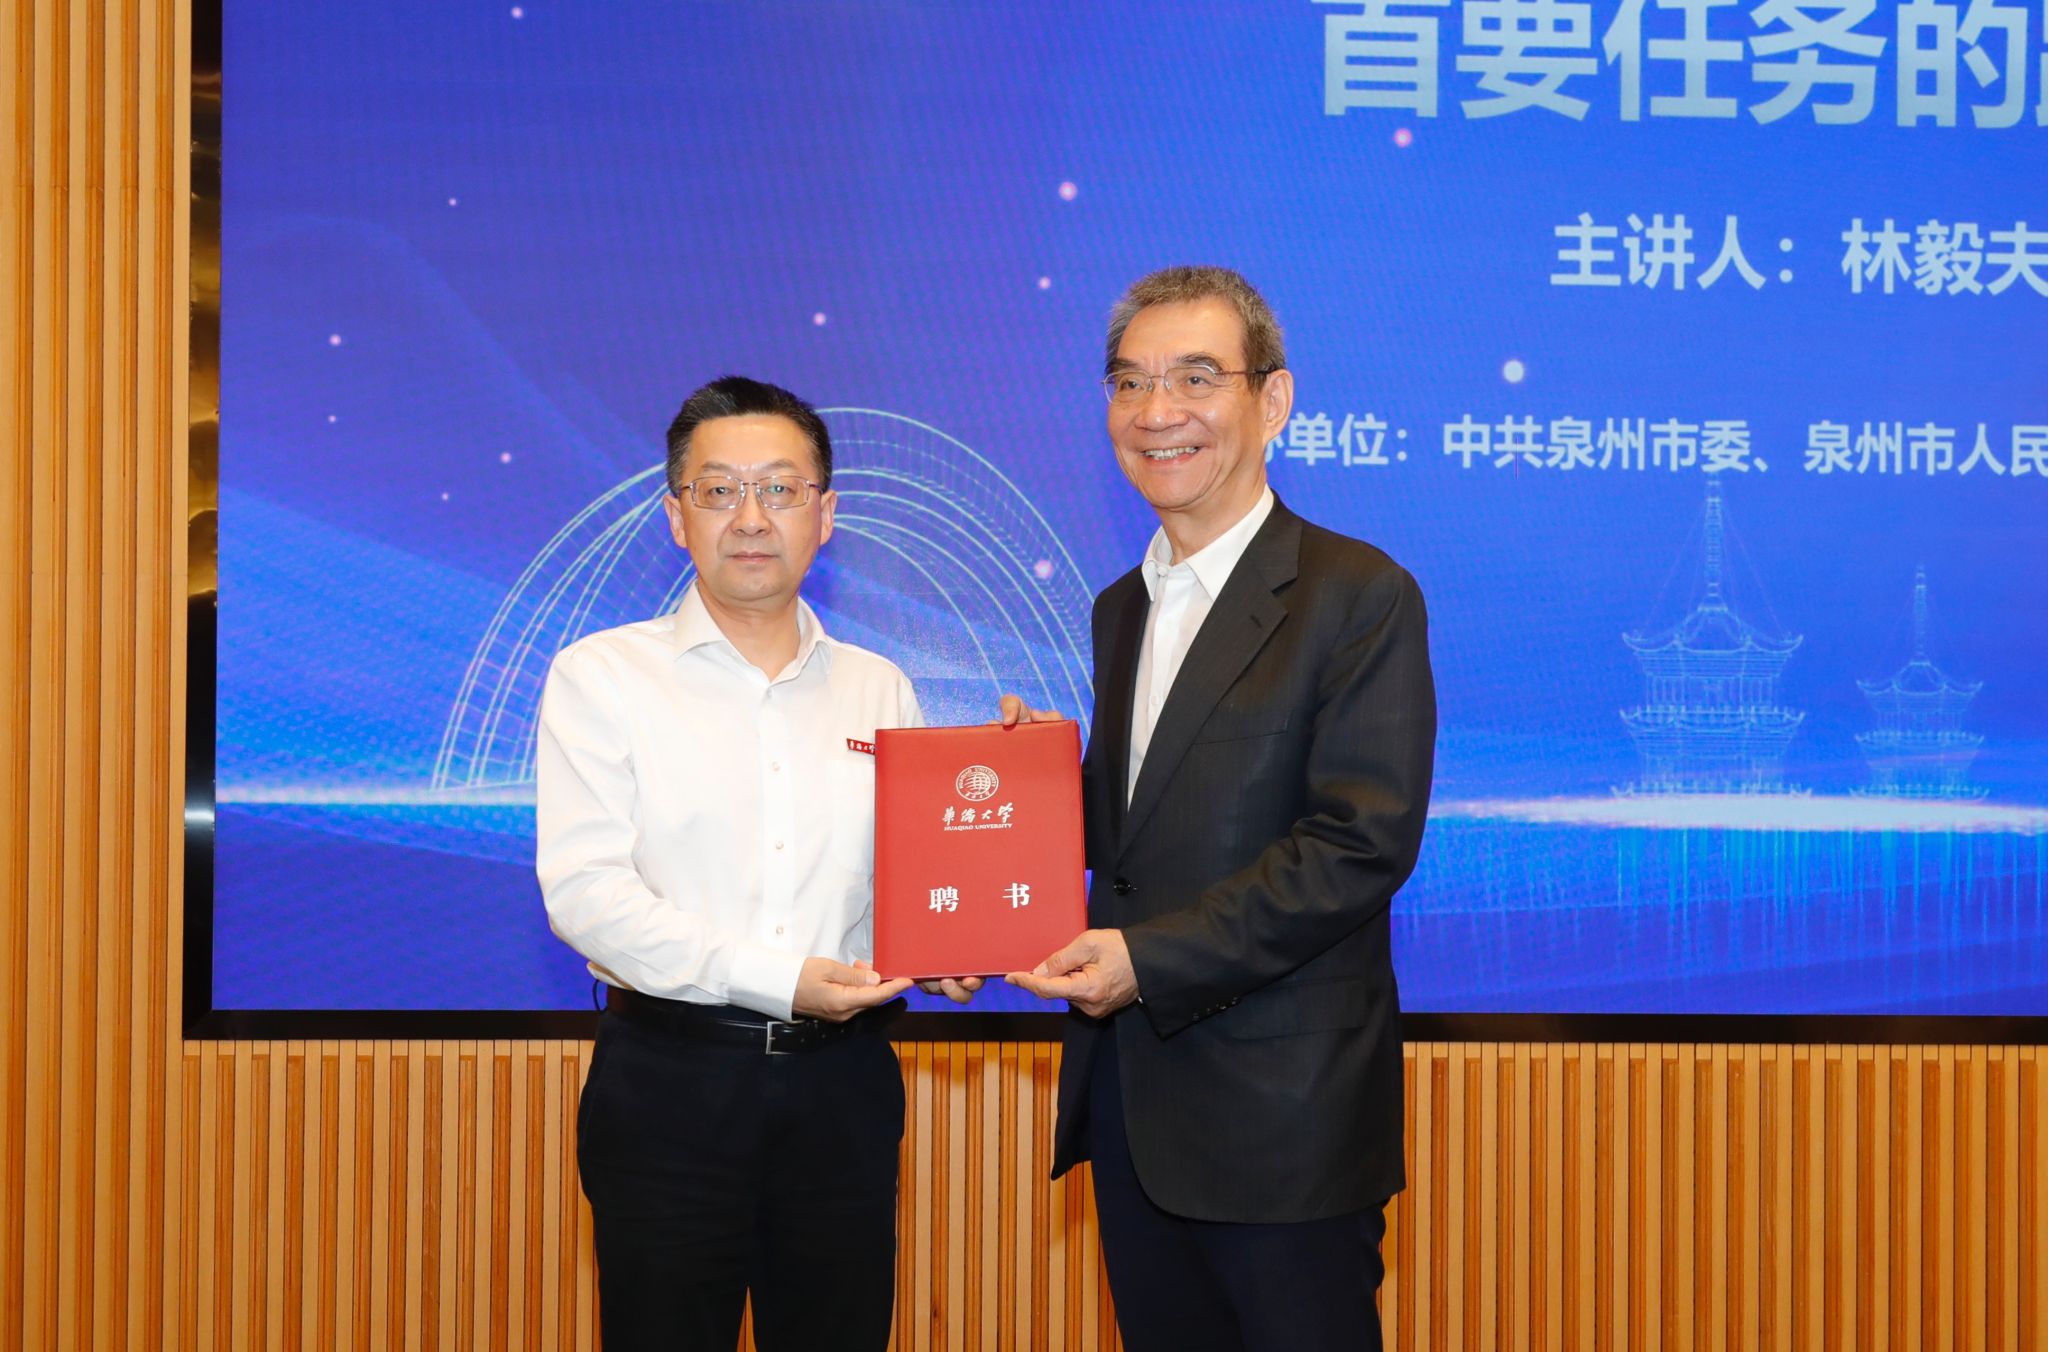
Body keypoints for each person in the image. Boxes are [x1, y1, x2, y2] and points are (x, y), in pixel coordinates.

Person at [1004, 267, 1437, 1352]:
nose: (1158, 411)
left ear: (1272, 400)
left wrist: (1147, 960)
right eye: (1129, 382)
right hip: (1136, 1111)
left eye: (1196, 378)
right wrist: (1031, 790)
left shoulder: (1355, 593)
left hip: (1282, 1123)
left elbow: (1357, 845)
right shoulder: (1122, 606)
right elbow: (1149, 832)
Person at [535, 375, 976, 1352]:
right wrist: (781, 980)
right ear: (675, 516)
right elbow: (586, 896)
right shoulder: (601, 677)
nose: (750, 517)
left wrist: (943, 943)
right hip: (669, 1086)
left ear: (826, 514)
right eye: (719, 490)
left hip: (843, 1092)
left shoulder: (880, 687)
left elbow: (898, 888)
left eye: (779, 488)